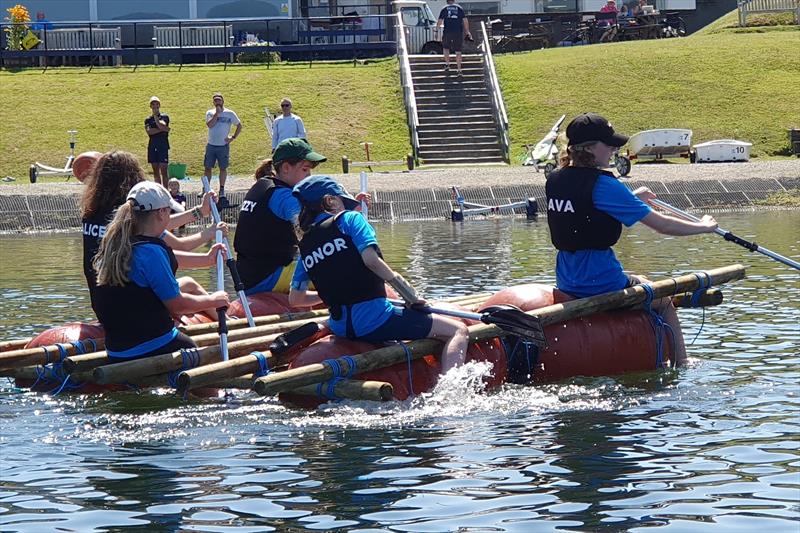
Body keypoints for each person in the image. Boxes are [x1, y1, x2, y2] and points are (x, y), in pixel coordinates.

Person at [545, 113, 719, 366]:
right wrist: (702, 227)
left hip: (567, 276)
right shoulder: (604, 184)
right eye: (609, 144)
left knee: (639, 276)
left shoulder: (556, 179)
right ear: (590, 148)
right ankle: (683, 362)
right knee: (664, 299)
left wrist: (634, 198)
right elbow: (663, 225)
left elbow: (588, 213)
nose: (615, 148)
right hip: (599, 279)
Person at [288, 176, 469, 373]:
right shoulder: (351, 219)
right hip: (376, 321)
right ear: (330, 200)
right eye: (343, 202)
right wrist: (410, 296)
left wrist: (333, 293)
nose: (346, 207)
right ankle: (452, 389)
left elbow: (295, 299)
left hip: (340, 327)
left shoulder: (305, 245)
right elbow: (371, 261)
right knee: (457, 330)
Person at [92, 182, 230, 362]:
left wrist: (206, 259)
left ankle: (229, 322)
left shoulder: (120, 239)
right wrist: (213, 300)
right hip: (151, 344)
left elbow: (167, 258)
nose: (170, 215)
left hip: (116, 349)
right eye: (169, 211)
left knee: (187, 282)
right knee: (203, 360)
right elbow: (178, 305)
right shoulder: (151, 251)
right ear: (161, 213)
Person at [80, 150, 221, 311]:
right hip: (129, 300)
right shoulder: (130, 218)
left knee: (186, 283)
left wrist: (200, 212)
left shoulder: (92, 213)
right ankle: (229, 321)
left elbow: (160, 223)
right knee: (189, 284)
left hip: (100, 301)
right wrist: (209, 247)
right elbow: (178, 245)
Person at [233, 138, 327, 295]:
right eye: (305, 170)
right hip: (268, 277)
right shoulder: (284, 196)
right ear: (285, 168)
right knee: (338, 269)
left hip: (246, 277)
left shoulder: (262, 185)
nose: (310, 176)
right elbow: (307, 232)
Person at [204, 92, 242, 208]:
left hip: (223, 146)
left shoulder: (230, 113)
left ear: (223, 101)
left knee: (223, 168)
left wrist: (233, 137)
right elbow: (210, 125)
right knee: (207, 167)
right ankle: (206, 188)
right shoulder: (210, 113)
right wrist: (216, 114)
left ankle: (222, 189)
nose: (217, 102)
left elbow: (239, 125)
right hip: (211, 145)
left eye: (219, 100)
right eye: (215, 100)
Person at [436, 0, 472, 77]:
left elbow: (440, 21)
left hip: (447, 31)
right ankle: (459, 70)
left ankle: (447, 64)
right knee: (458, 51)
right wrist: (467, 31)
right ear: (454, 1)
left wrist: (436, 30)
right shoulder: (459, 8)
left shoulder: (444, 8)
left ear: (447, 1)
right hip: (458, 32)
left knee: (446, 48)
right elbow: (465, 20)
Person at [144, 96, 170, 187]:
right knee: (155, 170)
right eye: (153, 104)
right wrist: (162, 129)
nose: (155, 106)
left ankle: (166, 190)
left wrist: (156, 119)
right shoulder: (147, 120)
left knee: (164, 170)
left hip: (163, 145)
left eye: (156, 104)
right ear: (150, 106)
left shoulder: (165, 117)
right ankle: (158, 190)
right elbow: (149, 131)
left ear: (159, 105)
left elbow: (162, 125)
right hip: (152, 146)